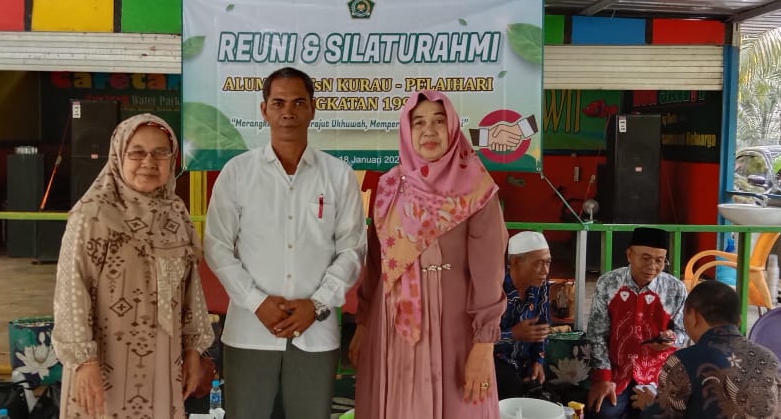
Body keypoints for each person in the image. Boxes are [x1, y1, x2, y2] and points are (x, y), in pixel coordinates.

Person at [204, 67, 367, 419]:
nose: (288, 112)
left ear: (313, 109)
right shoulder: (238, 172)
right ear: (264, 110)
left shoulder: (338, 175)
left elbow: (353, 250)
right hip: (249, 331)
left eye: (298, 102)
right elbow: (217, 246)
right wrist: (256, 301)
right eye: (278, 103)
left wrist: (318, 304)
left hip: (316, 333)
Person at [350, 90, 507, 418]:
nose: (429, 131)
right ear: (407, 132)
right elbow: (377, 263)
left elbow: (489, 271)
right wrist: (363, 324)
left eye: (438, 121)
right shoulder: (390, 187)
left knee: (459, 403)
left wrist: (484, 344)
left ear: (452, 128)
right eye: (418, 123)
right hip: (390, 324)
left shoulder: (476, 188)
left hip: (453, 324)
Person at [53, 114, 215, 418]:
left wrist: (194, 351)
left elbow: (191, 290)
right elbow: (72, 291)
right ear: (118, 156)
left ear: (172, 159)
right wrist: (84, 360)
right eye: (137, 152)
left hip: (164, 363)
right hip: (103, 364)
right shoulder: (94, 215)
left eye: (160, 153)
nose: (149, 162)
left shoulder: (176, 214)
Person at [635, 280, 781, 418]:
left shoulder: (684, 361)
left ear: (694, 316)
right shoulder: (770, 358)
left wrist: (650, 404)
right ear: (739, 321)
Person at [586, 227, 688, 419]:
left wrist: (671, 339)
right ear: (629, 255)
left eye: (659, 260)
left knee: (660, 414)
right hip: (616, 370)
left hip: (659, 374)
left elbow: (684, 333)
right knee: (603, 413)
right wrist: (603, 378)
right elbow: (596, 334)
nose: (652, 266)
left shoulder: (676, 288)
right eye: (645, 258)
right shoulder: (608, 283)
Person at [495, 231, 551, 399]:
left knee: (540, 390)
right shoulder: (495, 287)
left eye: (548, 263)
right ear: (515, 262)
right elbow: (478, 338)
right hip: (495, 361)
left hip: (524, 362)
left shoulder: (541, 286)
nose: (545, 271)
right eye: (538, 264)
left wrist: (538, 361)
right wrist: (512, 334)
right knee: (513, 388)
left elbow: (542, 328)